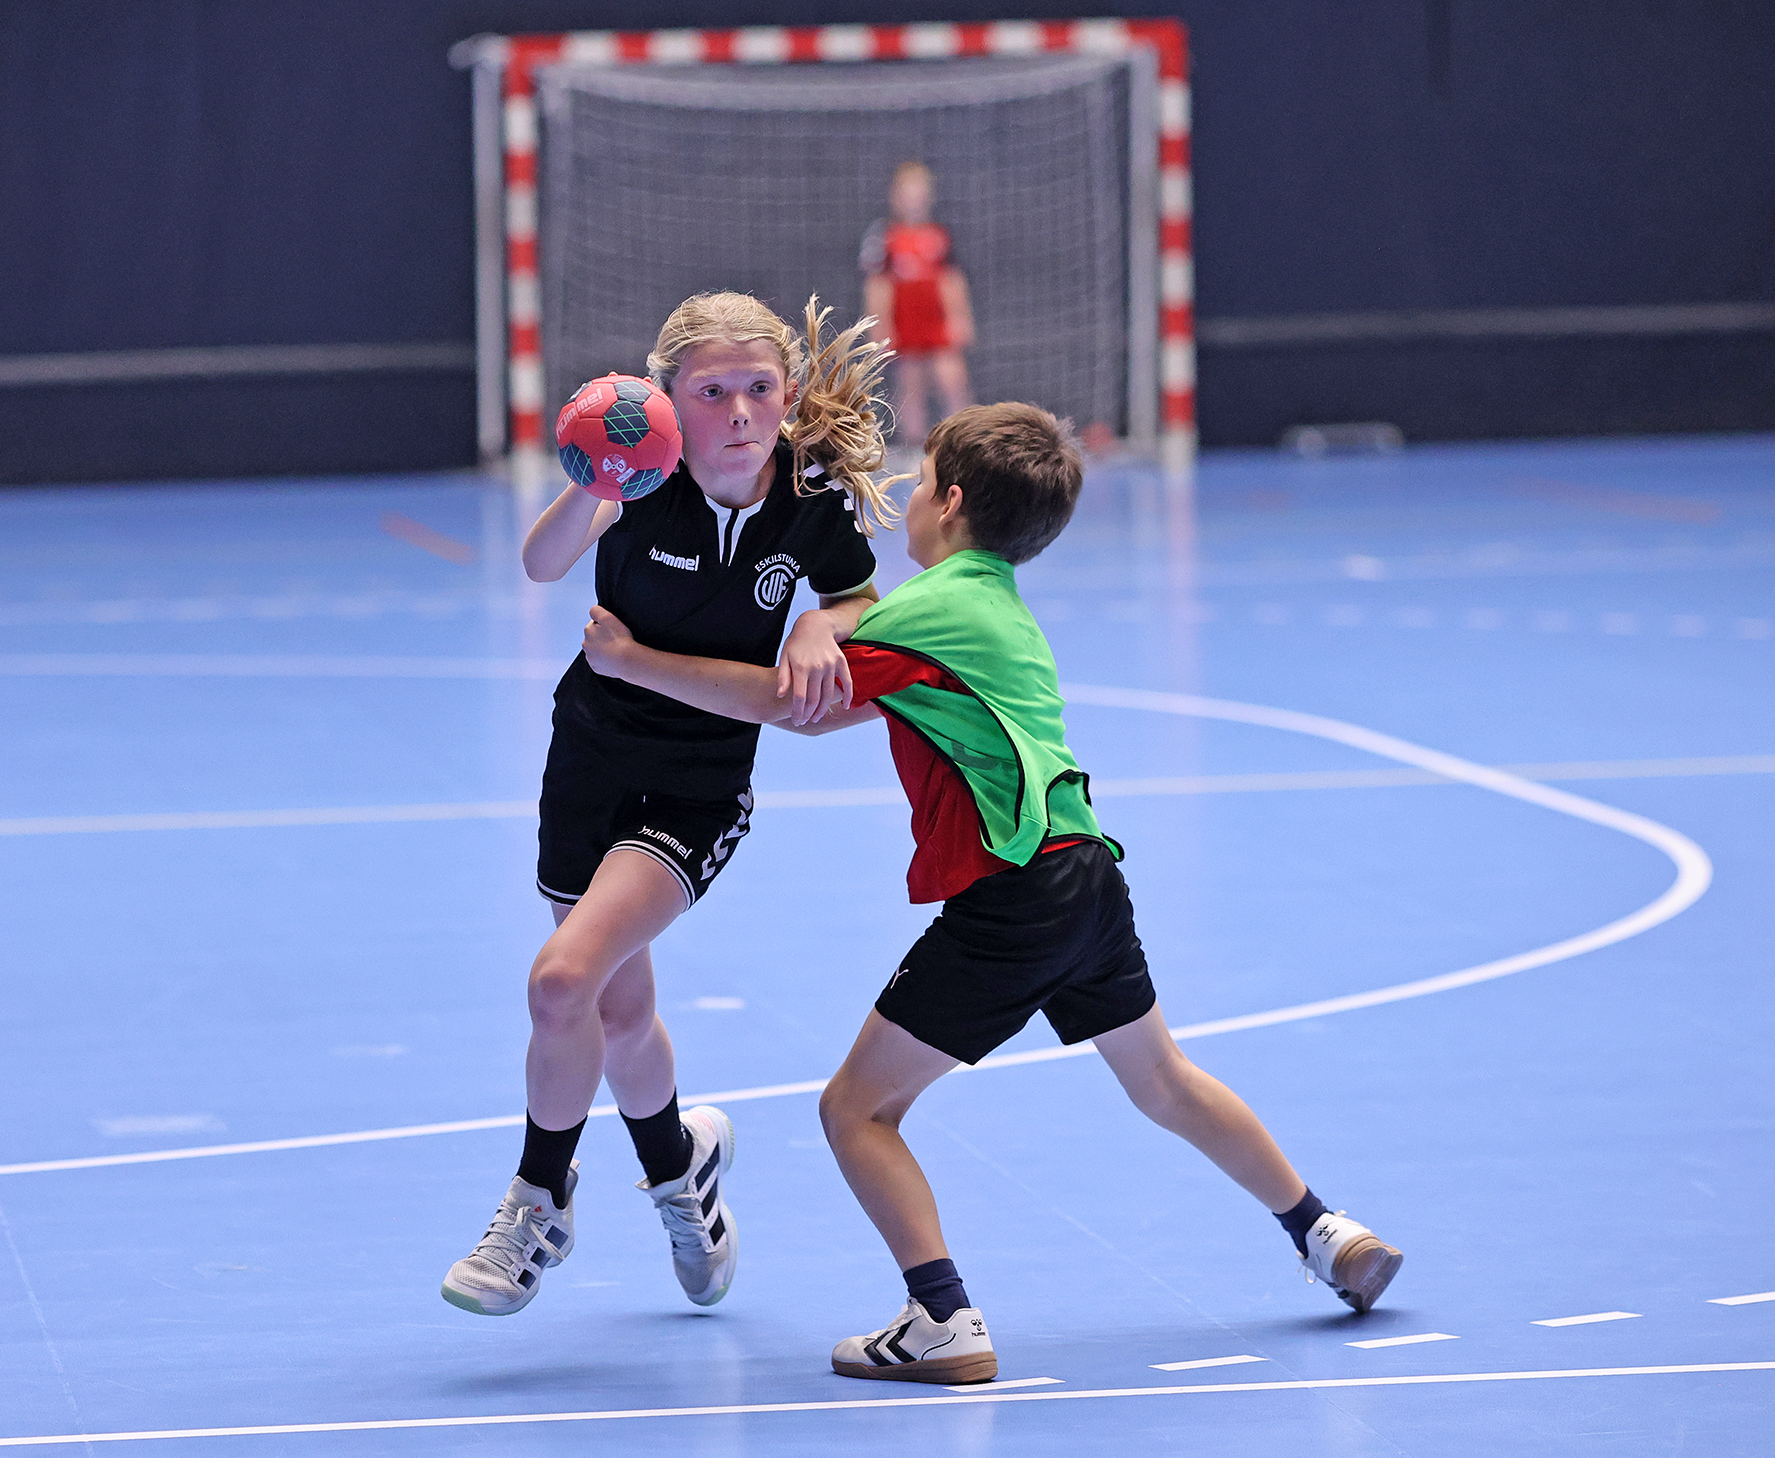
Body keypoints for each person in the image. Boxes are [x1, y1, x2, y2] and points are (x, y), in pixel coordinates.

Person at [579, 402, 1403, 1382]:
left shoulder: (927, 610)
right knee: (1162, 1080)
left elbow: (787, 709)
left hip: (1011, 895)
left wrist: (629, 662)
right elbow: (848, 701)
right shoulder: (992, 607)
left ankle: (942, 1319)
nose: (910, 501)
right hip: (1086, 874)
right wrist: (819, 624)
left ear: (954, 501)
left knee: (855, 1111)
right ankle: (1326, 1232)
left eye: (922, 482)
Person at [440, 293, 900, 1320]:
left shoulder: (810, 495)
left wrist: (825, 625)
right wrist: (584, 477)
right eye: (710, 392)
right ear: (666, 403)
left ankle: (538, 1203)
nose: (737, 411)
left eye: (757, 389)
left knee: (562, 982)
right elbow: (541, 563)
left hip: (697, 783)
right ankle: (681, 1170)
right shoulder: (636, 476)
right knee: (618, 1009)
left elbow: (855, 597)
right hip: (591, 757)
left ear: (784, 398)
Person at [861, 162, 974, 449]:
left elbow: (952, 279)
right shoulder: (885, 237)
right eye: (908, 193)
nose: (914, 200)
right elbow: (878, 284)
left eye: (920, 193)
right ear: (895, 198)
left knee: (951, 378)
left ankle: (964, 439)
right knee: (910, 383)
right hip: (906, 321)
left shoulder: (939, 235)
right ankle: (914, 443)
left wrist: (960, 317)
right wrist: (880, 325)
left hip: (936, 320)